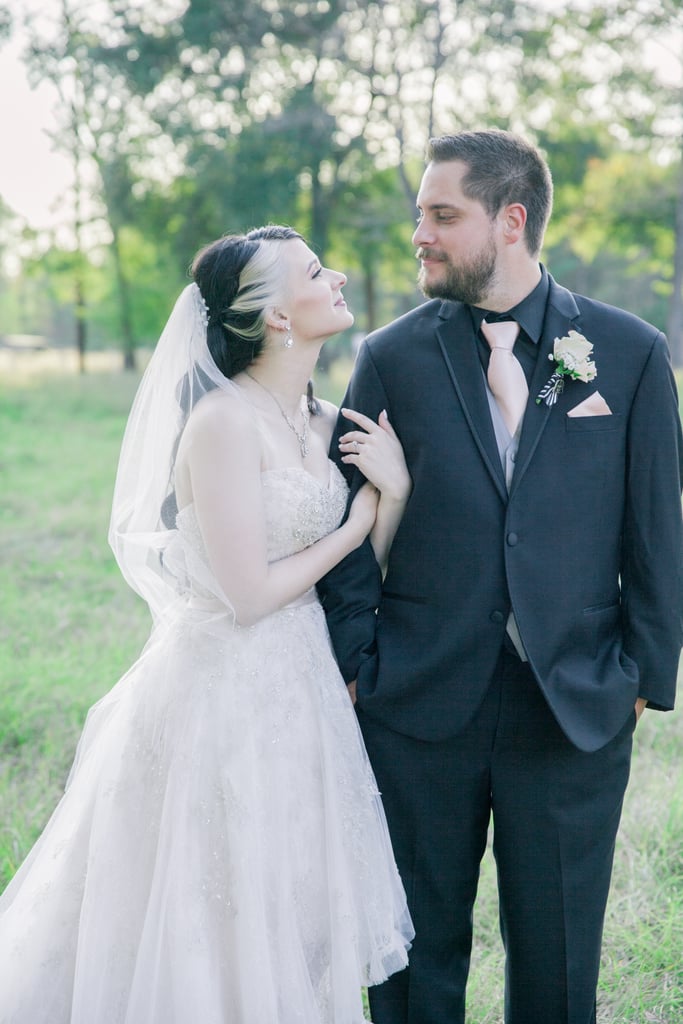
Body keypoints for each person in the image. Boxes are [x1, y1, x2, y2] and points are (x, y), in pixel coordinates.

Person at [0, 225, 414, 1023]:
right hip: (221, 687)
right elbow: (248, 594)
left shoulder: (329, 421)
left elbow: (360, 575)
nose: (339, 278)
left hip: (304, 685)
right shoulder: (221, 423)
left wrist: (388, 497)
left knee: (286, 897)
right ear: (276, 318)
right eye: (315, 272)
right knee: (205, 903)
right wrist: (355, 525)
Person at [318, 130, 683, 1024]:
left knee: (558, 963)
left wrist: (640, 677)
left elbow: (656, 530)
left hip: (573, 704)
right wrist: (362, 662)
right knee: (409, 956)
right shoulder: (390, 354)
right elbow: (347, 520)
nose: (421, 235)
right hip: (415, 700)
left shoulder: (628, 353)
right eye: (418, 216)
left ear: (510, 220)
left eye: (442, 215)